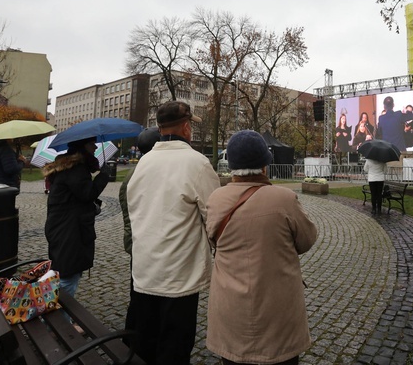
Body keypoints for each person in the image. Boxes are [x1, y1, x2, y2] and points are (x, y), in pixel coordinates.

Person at [205, 130, 317, 365]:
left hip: (231, 306)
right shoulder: (284, 198)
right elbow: (307, 239)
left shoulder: (215, 199)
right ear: (265, 166)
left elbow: (212, 240)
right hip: (278, 309)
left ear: (232, 166)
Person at [126, 101, 219, 364]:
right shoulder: (197, 163)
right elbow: (214, 216)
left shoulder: (143, 163)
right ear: (187, 128)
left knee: (145, 343)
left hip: (145, 270)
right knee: (174, 348)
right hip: (179, 276)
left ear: (159, 127)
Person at [42, 137, 110, 297]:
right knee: (67, 276)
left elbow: (75, 197)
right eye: (91, 144)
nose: (95, 147)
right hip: (69, 230)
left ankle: (62, 318)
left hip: (65, 226)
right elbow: (86, 193)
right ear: (83, 147)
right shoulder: (76, 169)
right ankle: (60, 319)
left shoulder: (71, 167)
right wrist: (103, 176)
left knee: (67, 272)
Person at [118, 126, 160, 346]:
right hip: (141, 242)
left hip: (136, 241)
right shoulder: (145, 172)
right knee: (141, 296)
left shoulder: (137, 170)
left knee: (137, 294)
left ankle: (134, 338)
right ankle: (138, 341)